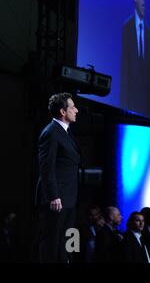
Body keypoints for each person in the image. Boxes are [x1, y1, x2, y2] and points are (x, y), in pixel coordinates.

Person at [36, 92, 81, 263]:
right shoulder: (51, 132)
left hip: (69, 199)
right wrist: (54, 196)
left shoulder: (67, 132)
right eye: (73, 107)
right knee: (52, 245)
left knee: (68, 243)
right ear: (63, 111)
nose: (76, 110)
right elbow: (46, 167)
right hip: (57, 201)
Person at [121, 0, 150, 117]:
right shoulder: (125, 30)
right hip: (126, 113)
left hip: (146, 117)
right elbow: (123, 80)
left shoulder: (149, 36)